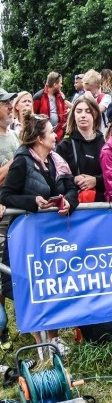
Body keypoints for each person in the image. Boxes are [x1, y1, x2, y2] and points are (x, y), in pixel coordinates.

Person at [0, 110, 79, 353]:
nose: (55, 135)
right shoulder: (22, 161)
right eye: (50, 132)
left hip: (53, 235)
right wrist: (32, 201)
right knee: (30, 287)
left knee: (51, 285)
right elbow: (5, 195)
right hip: (27, 236)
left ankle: (54, 338)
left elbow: (71, 188)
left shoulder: (57, 160)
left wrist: (68, 201)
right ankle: (40, 344)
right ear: (38, 138)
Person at [56, 96, 106, 203]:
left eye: (88, 112)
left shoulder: (106, 143)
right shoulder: (64, 145)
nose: (83, 115)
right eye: (79, 111)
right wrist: (73, 179)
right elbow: (56, 177)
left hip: (103, 204)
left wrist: (96, 180)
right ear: (73, 114)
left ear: (95, 114)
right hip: (74, 204)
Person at [0, 88, 19, 348]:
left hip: (18, 215)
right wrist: (13, 163)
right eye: (5, 103)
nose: (10, 106)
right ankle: (2, 330)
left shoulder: (14, 135)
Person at [32, 72, 68, 140]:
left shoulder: (60, 97)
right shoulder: (38, 97)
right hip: (43, 136)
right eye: (60, 83)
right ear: (55, 84)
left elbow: (64, 115)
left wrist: (62, 131)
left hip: (58, 136)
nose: (61, 85)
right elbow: (32, 117)